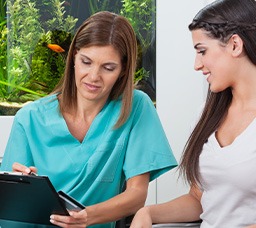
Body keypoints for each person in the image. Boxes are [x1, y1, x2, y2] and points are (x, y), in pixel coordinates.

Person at [0, 11, 177, 228]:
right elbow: (10, 212)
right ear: (73, 57)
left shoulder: (135, 107)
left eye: (108, 68)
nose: (93, 77)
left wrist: (86, 216)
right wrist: (21, 186)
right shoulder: (29, 119)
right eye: (86, 62)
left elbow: (137, 194)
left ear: (123, 70)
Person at [130, 0, 256, 227]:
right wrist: (147, 213)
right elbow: (199, 200)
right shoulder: (208, 116)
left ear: (235, 45)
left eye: (202, 51)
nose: (197, 65)